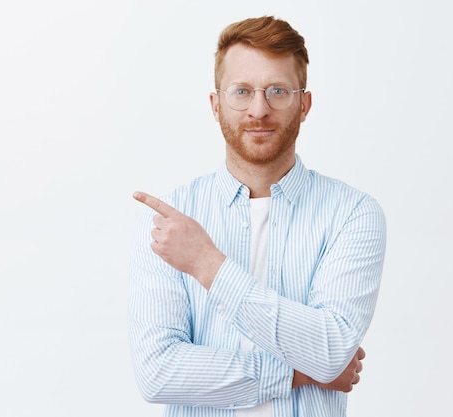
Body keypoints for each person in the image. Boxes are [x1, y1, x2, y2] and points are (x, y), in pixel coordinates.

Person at [128, 15, 386, 417]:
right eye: (242, 91)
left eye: (278, 91)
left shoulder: (352, 214)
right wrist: (299, 373)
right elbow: (158, 373)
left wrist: (207, 265)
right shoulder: (169, 221)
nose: (259, 109)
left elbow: (333, 353)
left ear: (304, 104)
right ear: (216, 105)